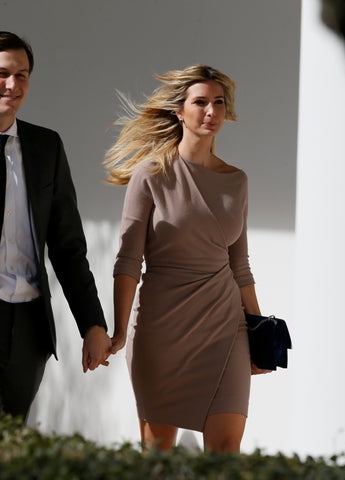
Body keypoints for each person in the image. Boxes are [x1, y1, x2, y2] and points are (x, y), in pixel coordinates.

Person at [104, 64, 269, 453]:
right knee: (157, 454)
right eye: (200, 102)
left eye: (218, 103)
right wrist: (120, 330)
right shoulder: (151, 175)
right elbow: (128, 260)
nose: (210, 111)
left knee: (226, 449)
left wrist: (260, 333)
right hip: (162, 332)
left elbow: (240, 266)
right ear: (180, 110)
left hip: (224, 329)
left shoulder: (237, 180)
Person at [0, 31, 111, 420]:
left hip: (29, 328)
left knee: (9, 444)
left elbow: (68, 246)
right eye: (2, 74)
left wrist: (91, 323)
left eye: (22, 75)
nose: (12, 84)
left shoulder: (46, 147)